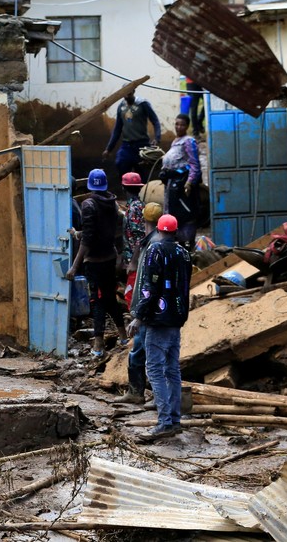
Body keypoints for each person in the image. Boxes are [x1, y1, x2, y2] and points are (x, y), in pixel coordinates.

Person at [127, 214, 191, 441]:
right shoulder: (184, 253)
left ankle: (164, 422)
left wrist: (139, 317)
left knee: (154, 369)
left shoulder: (155, 251)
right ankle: (174, 420)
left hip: (158, 319)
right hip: (176, 319)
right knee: (172, 370)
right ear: (174, 231)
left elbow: (149, 288)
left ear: (157, 230)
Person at [66, 169, 128, 357]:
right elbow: (98, 230)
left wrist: (74, 267)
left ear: (90, 185)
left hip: (95, 262)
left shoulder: (88, 205)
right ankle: (124, 335)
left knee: (98, 301)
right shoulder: (112, 202)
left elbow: (89, 240)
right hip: (110, 258)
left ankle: (98, 345)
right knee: (109, 298)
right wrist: (77, 233)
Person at [115, 202, 162, 405]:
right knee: (143, 351)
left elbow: (150, 284)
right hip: (152, 307)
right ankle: (139, 392)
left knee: (145, 351)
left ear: (143, 219)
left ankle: (143, 394)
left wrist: (139, 315)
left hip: (149, 309)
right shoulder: (152, 241)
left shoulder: (154, 245)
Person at [160, 114, 202, 252]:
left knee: (185, 216)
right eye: (177, 124)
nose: (179, 127)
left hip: (183, 188)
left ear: (187, 126)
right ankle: (178, 247)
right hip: (172, 187)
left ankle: (188, 249)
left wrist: (189, 183)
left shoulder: (189, 141)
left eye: (182, 125)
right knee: (174, 215)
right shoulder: (175, 141)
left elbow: (194, 165)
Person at [102, 91, 161, 182]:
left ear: (133, 91)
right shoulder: (121, 107)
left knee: (142, 173)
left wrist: (157, 138)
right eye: (124, 94)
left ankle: (141, 193)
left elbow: (155, 121)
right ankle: (126, 190)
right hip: (127, 145)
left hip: (141, 145)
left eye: (128, 93)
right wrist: (109, 149)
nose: (126, 96)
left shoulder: (143, 104)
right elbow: (117, 129)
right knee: (120, 162)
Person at [121, 172, 146, 307]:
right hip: (135, 258)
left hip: (136, 261)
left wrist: (133, 262)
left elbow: (139, 238)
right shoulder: (139, 205)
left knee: (132, 298)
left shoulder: (134, 209)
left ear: (123, 188)